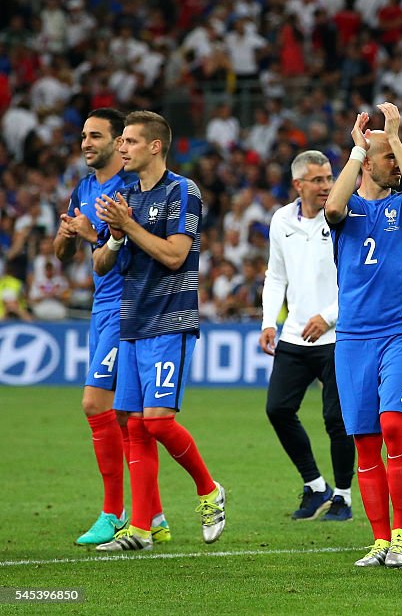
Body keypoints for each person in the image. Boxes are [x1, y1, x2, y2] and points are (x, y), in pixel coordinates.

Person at [92, 110, 225, 552]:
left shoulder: (182, 192)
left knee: (158, 422)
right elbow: (102, 265)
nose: (121, 148)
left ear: (154, 146)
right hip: (132, 321)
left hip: (169, 320)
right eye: (121, 141)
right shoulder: (125, 194)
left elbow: (174, 255)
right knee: (133, 426)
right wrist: (113, 235)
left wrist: (128, 226)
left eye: (128, 141)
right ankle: (142, 529)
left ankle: (208, 490)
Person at [54, 108, 170, 546]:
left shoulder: (131, 188)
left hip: (129, 307)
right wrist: (68, 235)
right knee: (126, 415)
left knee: (95, 404)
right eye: (83, 135)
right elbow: (63, 252)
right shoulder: (84, 188)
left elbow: (127, 250)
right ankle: (152, 513)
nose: (86, 143)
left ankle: (113, 511)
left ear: (120, 141)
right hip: (102, 308)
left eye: (96, 136)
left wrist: (91, 235)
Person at [323, 103, 402, 568]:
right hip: (352, 337)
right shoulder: (347, 211)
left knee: (391, 425)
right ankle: (380, 539)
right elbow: (331, 206)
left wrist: (397, 138)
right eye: (387, 158)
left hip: (399, 331)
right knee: (365, 440)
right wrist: (357, 148)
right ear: (367, 162)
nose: (395, 165)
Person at [260, 150, 355, 522]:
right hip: (296, 335)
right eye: (317, 180)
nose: (327, 186)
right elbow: (276, 275)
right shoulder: (282, 219)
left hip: (338, 335)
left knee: (337, 419)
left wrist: (329, 317)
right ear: (298, 184)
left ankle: (344, 496)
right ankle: (316, 485)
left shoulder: (342, 217)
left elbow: (357, 280)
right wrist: (270, 321)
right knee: (278, 409)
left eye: (329, 177)